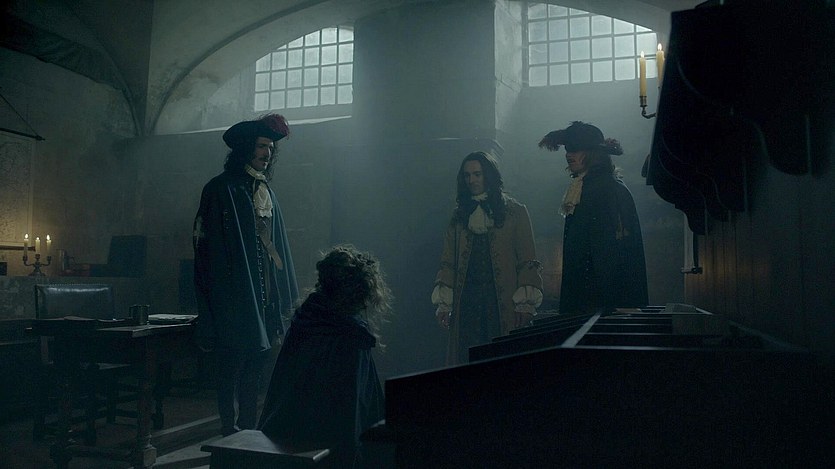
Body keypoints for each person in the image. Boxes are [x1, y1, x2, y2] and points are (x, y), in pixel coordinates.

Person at [193, 113, 299, 437]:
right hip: (233, 298)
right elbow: (208, 249)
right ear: (245, 149)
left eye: (270, 148)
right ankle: (228, 427)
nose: (267, 153)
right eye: (262, 146)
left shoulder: (267, 192)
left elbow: (276, 249)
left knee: (256, 363)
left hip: (264, 298)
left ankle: (249, 429)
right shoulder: (220, 189)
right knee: (230, 364)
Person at [258, 245, 390, 469]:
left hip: (282, 430)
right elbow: (355, 416)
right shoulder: (352, 336)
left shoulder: (304, 320)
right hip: (329, 447)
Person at [432, 151, 543, 365]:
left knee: (501, 359)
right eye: (467, 175)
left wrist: (525, 304)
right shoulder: (459, 216)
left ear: (488, 175)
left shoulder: (516, 212)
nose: (472, 180)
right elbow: (448, 262)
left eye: (477, 174)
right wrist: (444, 304)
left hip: (501, 303)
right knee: (467, 359)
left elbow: (527, 260)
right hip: (467, 303)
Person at [539, 121, 648, 315]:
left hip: (606, 304)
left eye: (576, 149)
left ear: (593, 153)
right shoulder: (583, 188)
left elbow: (622, 250)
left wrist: (623, 302)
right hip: (585, 302)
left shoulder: (610, 189)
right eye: (568, 149)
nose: (569, 154)